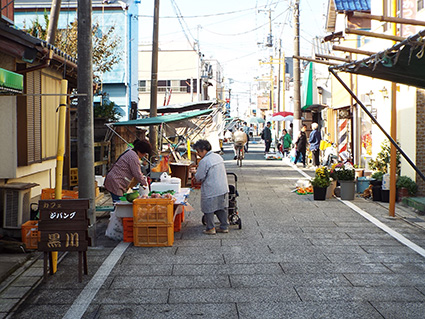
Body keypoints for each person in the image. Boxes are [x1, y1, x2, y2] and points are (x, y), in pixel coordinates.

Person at [193, 140, 229, 235]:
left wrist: (194, 173)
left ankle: (211, 228)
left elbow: (199, 177)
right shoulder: (218, 157)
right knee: (221, 208)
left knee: (208, 208)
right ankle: (224, 226)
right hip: (223, 187)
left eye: (198, 151)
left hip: (211, 188)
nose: (198, 154)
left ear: (203, 150)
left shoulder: (204, 161)